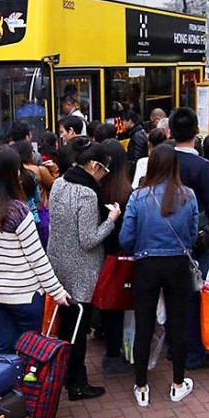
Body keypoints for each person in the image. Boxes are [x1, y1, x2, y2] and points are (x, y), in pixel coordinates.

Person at [0, 146, 69, 354]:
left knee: (4, 350)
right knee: (29, 350)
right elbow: (37, 259)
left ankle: (7, 386)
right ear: (11, 174)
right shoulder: (19, 211)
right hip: (24, 294)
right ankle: (26, 386)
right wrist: (57, 292)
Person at [119, 144, 198, 407]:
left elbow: (125, 237)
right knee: (178, 324)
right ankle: (178, 383)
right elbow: (192, 234)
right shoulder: (188, 195)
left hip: (146, 265)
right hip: (177, 265)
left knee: (144, 325)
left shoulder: (138, 197)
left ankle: (141, 386)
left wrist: (141, 248)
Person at [48, 138, 121, 400]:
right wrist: (111, 220)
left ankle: (64, 373)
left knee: (65, 325)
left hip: (58, 265)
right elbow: (89, 239)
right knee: (78, 329)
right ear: (93, 165)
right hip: (82, 270)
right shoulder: (88, 194)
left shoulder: (59, 183)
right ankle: (76, 382)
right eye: (103, 170)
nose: (104, 176)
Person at [170, 107, 209, 370]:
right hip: (197, 242)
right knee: (194, 297)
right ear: (197, 132)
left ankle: (174, 348)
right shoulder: (202, 167)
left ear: (170, 131)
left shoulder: (163, 161)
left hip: (167, 239)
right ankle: (194, 353)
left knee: (173, 297)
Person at [96, 139, 134, 375]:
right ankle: (113, 353)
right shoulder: (127, 192)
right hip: (120, 256)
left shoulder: (95, 190)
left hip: (98, 254)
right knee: (118, 306)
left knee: (105, 302)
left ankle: (102, 335)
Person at [116, 111, 148, 178]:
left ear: (130, 121)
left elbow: (137, 157)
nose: (123, 124)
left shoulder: (137, 135)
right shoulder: (136, 133)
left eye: (124, 121)